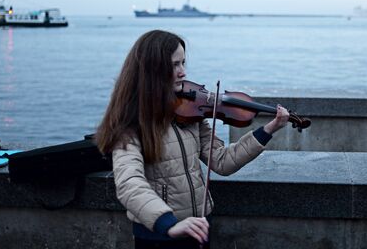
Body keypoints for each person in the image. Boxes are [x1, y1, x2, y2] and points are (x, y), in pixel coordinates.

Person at [95, 30, 290, 249]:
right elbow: (129, 183)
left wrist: (268, 130)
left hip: (199, 227)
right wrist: (167, 223)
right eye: (174, 65)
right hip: (160, 235)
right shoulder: (130, 123)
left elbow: (222, 161)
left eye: (183, 63)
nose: (183, 72)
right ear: (153, 70)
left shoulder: (190, 114)